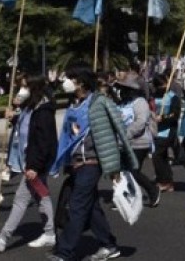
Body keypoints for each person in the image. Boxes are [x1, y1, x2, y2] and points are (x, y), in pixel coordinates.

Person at [48, 68, 137, 261]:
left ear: (82, 83)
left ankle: (65, 252)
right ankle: (109, 244)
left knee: (77, 205)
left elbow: (117, 131)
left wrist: (116, 166)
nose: (68, 82)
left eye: (73, 79)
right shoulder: (73, 105)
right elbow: (68, 136)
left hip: (92, 162)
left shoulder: (100, 103)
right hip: (77, 163)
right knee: (91, 207)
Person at [0, 73, 57, 252]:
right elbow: (25, 127)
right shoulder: (30, 108)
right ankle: (50, 232)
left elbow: (44, 142)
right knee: (42, 196)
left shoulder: (43, 111)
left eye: (25, 87)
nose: (22, 91)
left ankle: (2, 238)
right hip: (28, 161)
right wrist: (14, 117)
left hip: (35, 163)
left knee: (20, 200)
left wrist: (35, 167)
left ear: (35, 89)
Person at [115, 76, 160, 207]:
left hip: (139, 142)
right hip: (124, 143)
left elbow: (140, 122)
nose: (120, 91)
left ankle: (153, 190)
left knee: (133, 171)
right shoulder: (122, 103)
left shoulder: (140, 103)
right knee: (124, 171)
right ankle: (129, 197)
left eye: (123, 89)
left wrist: (126, 134)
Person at [150, 75, 181, 194]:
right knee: (161, 157)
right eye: (161, 86)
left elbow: (175, 115)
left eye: (165, 85)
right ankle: (166, 180)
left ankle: (164, 181)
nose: (164, 88)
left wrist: (163, 118)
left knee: (156, 155)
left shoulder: (173, 97)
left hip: (168, 131)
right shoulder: (153, 97)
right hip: (156, 130)